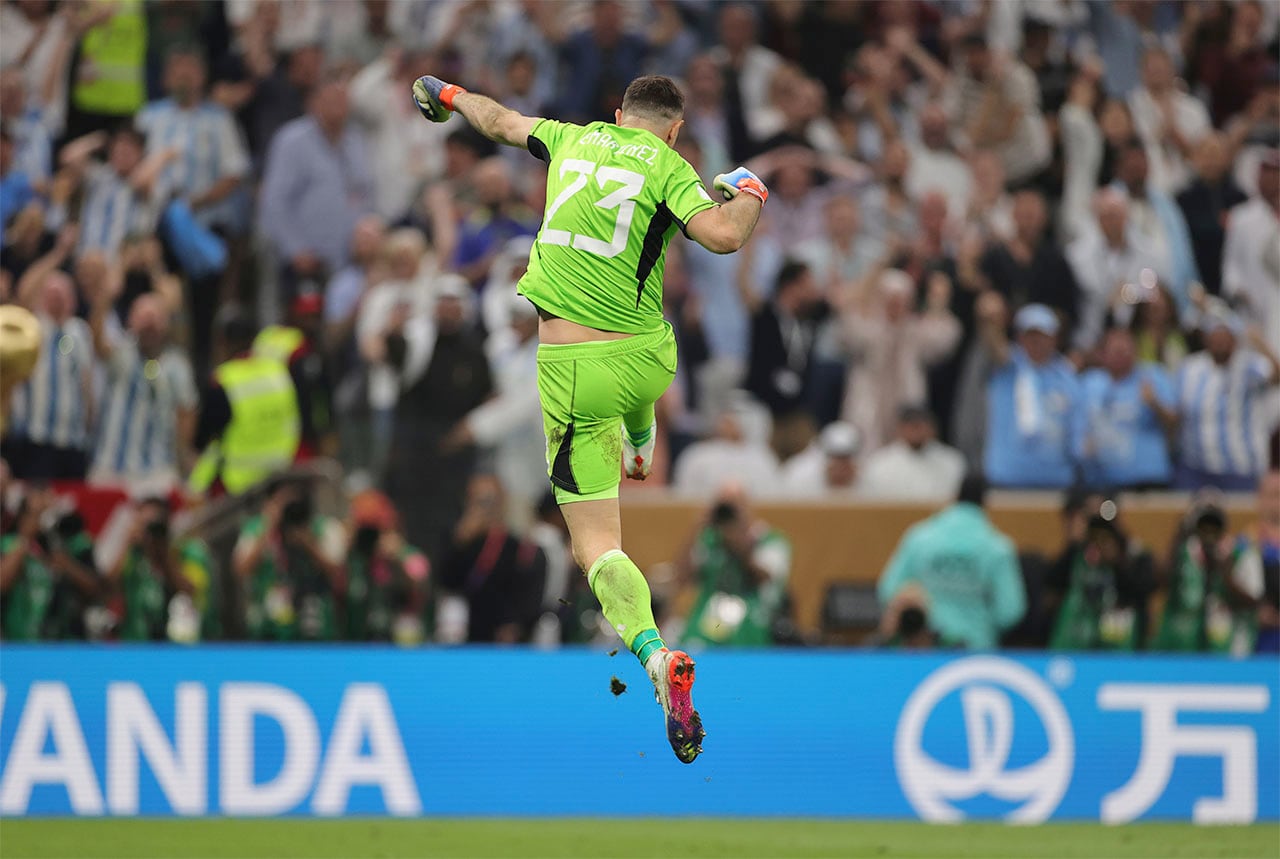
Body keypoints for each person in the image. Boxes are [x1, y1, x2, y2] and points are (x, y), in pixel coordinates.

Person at [413, 70, 766, 762]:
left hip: (574, 372)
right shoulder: (672, 165)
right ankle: (641, 437)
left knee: (596, 546)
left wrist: (446, 94)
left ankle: (657, 656)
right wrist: (750, 192)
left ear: (618, 114)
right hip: (649, 360)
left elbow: (499, 121)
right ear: (674, 127)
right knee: (649, 330)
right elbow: (723, 237)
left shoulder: (570, 138)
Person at [877, 475, 1026, 650]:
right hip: (977, 647)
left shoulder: (920, 537)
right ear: (985, 502)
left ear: (954, 497)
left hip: (925, 644)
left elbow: (889, 588)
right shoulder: (998, 547)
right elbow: (1010, 611)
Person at [189, 309, 301, 497]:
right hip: (279, 479)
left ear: (223, 342)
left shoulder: (224, 381)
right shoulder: (278, 372)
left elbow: (202, 441)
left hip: (235, 488)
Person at [979, 299, 1082, 489]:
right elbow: (994, 345)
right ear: (1020, 338)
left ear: (1054, 338)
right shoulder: (1008, 367)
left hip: (1055, 478)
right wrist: (990, 322)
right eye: (1029, 335)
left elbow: (1076, 427)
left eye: (1042, 335)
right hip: (1007, 477)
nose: (1036, 341)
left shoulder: (1066, 377)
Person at [1175, 308, 1280, 490]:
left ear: (1234, 340)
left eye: (1225, 337)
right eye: (1216, 337)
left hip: (1240, 467)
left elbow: (1277, 375)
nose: (1220, 342)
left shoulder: (1248, 365)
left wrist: (1259, 342)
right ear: (1206, 339)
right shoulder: (1190, 368)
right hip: (1196, 467)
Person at [677, 482, 791, 648]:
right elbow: (681, 577)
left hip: (751, 615)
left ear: (747, 507)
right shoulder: (709, 539)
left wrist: (737, 538)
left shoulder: (769, 540)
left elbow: (764, 578)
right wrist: (696, 529)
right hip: (708, 613)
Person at [232, 477, 345, 642]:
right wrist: (268, 527)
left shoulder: (324, 529)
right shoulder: (256, 529)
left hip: (314, 625)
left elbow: (338, 573)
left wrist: (307, 542)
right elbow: (240, 569)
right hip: (267, 626)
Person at [439, 474, 546, 644]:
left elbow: (527, 596)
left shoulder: (518, 547)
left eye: (490, 500)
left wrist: (514, 625)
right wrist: (462, 540)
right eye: (479, 501)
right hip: (461, 635)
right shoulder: (457, 542)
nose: (486, 509)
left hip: (503, 641)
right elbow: (446, 583)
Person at [1155, 502, 1263, 656]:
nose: (1209, 533)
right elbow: (1160, 583)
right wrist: (1178, 537)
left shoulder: (1240, 553)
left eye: (1214, 525)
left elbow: (1254, 600)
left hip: (1229, 642)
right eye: (1203, 526)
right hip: (1188, 643)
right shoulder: (1183, 553)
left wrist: (1226, 574)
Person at [1076, 327, 1178, 489]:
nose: (1123, 356)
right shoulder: (1090, 382)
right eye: (1116, 351)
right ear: (1102, 355)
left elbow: (1175, 423)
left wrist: (1154, 403)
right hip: (1100, 480)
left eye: (1127, 350)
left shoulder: (1154, 376)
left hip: (1145, 480)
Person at [1046, 507, 1153, 651]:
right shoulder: (1077, 556)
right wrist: (1073, 545)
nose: (1100, 544)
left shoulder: (1134, 557)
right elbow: (1051, 582)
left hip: (1116, 633)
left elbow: (1142, 590)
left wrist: (1117, 562)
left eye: (1106, 538)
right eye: (1095, 537)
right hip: (1079, 632)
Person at [344, 489, 430, 644]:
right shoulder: (356, 559)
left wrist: (396, 559)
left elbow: (419, 591)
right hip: (359, 642)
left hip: (403, 641)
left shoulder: (410, 556)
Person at [859, 405, 966, 502]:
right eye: (911, 425)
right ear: (899, 429)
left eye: (921, 425)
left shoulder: (952, 461)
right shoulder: (880, 463)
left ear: (933, 428)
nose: (916, 431)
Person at [779, 420, 860, 498]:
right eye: (836, 459)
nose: (840, 468)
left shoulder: (868, 481)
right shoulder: (798, 477)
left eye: (845, 460)